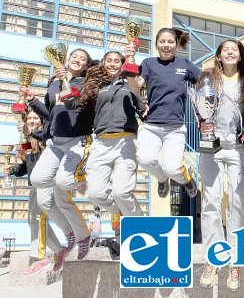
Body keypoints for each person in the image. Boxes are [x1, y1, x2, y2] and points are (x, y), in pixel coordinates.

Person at [27, 48, 95, 268]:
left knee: (62, 185)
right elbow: (49, 113)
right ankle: (73, 233)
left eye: (82, 59)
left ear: (86, 65)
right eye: (74, 57)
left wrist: (65, 81)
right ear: (67, 59)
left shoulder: (86, 84)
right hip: (56, 141)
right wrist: (32, 101)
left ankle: (82, 178)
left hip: (77, 140)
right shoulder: (53, 82)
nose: (77, 60)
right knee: (38, 182)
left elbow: (75, 105)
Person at [198, 40, 244, 291]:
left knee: (238, 203)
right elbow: (200, 111)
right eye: (225, 49)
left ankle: (236, 259)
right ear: (218, 55)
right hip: (212, 146)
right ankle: (213, 257)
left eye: (235, 49)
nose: (230, 52)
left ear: (240, 55)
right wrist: (202, 123)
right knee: (210, 199)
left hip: (240, 147)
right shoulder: (207, 79)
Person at [81, 51, 146, 243]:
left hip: (124, 142)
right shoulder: (96, 86)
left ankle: (141, 229)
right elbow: (83, 109)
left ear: (122, 64)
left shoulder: (130, 85)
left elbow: (142, 108)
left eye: (116, 61)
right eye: (109, 61)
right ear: (103, 63)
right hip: (101, 142)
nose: (112, 64)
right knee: (95, 193)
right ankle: (116, 211)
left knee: (121, 192)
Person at [133, 28, 200, 199]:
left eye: (170, 42)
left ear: (176, 45)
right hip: (151, 125)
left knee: (172, 168)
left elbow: (204, 82)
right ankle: (162, 179)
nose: (166, 45)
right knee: (145, 160)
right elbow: (136, 86)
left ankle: (187, 179)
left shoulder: (184, 65)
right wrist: (129, 65)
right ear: (156, 44)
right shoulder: (148, 63)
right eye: (162, 41)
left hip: (175, 127)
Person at [4, 109, 63, 275]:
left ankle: (40, 257)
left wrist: (32, 133)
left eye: (35, 118)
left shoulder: (46, 138)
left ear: (41, 121)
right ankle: (59, 250)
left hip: (46, 184)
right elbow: (25, 166)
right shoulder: (27, 140)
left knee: (38, 217)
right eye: (28, 118)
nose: (31, 120)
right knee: (32, 220)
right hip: (34, 186)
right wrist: (13, 169)